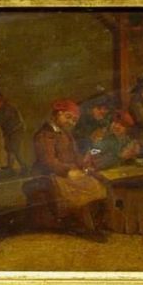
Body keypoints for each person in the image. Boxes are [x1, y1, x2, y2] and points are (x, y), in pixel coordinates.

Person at [31, 99, 107, 239]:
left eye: (74, 120)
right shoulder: (45, 134)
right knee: (82, 190)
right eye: (68, 117)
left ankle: (94, 224)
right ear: (58, 114)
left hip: (68, 172)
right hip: (51, 174)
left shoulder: (66, 134)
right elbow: (49, 162)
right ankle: (87, 228)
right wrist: (68, 171)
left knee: (97, 182)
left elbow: (75, 155)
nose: (71, 122)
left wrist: (84, 163)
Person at [0, 93, 26, 175]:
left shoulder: (7, 109)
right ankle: (10, 167)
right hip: (9, 132)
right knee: (8, 149)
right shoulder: (2, 109)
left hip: (16, 131)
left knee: (15, 149)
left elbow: (1, 121)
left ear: (0, 102)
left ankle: (24, 167)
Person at [74, 87, 114, 153]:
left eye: (106, 109)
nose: (103, 112)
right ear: (91, 108)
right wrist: (91, 139)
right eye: (99, 108)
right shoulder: (80, 121)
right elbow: (78, 147)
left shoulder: (103, 122)